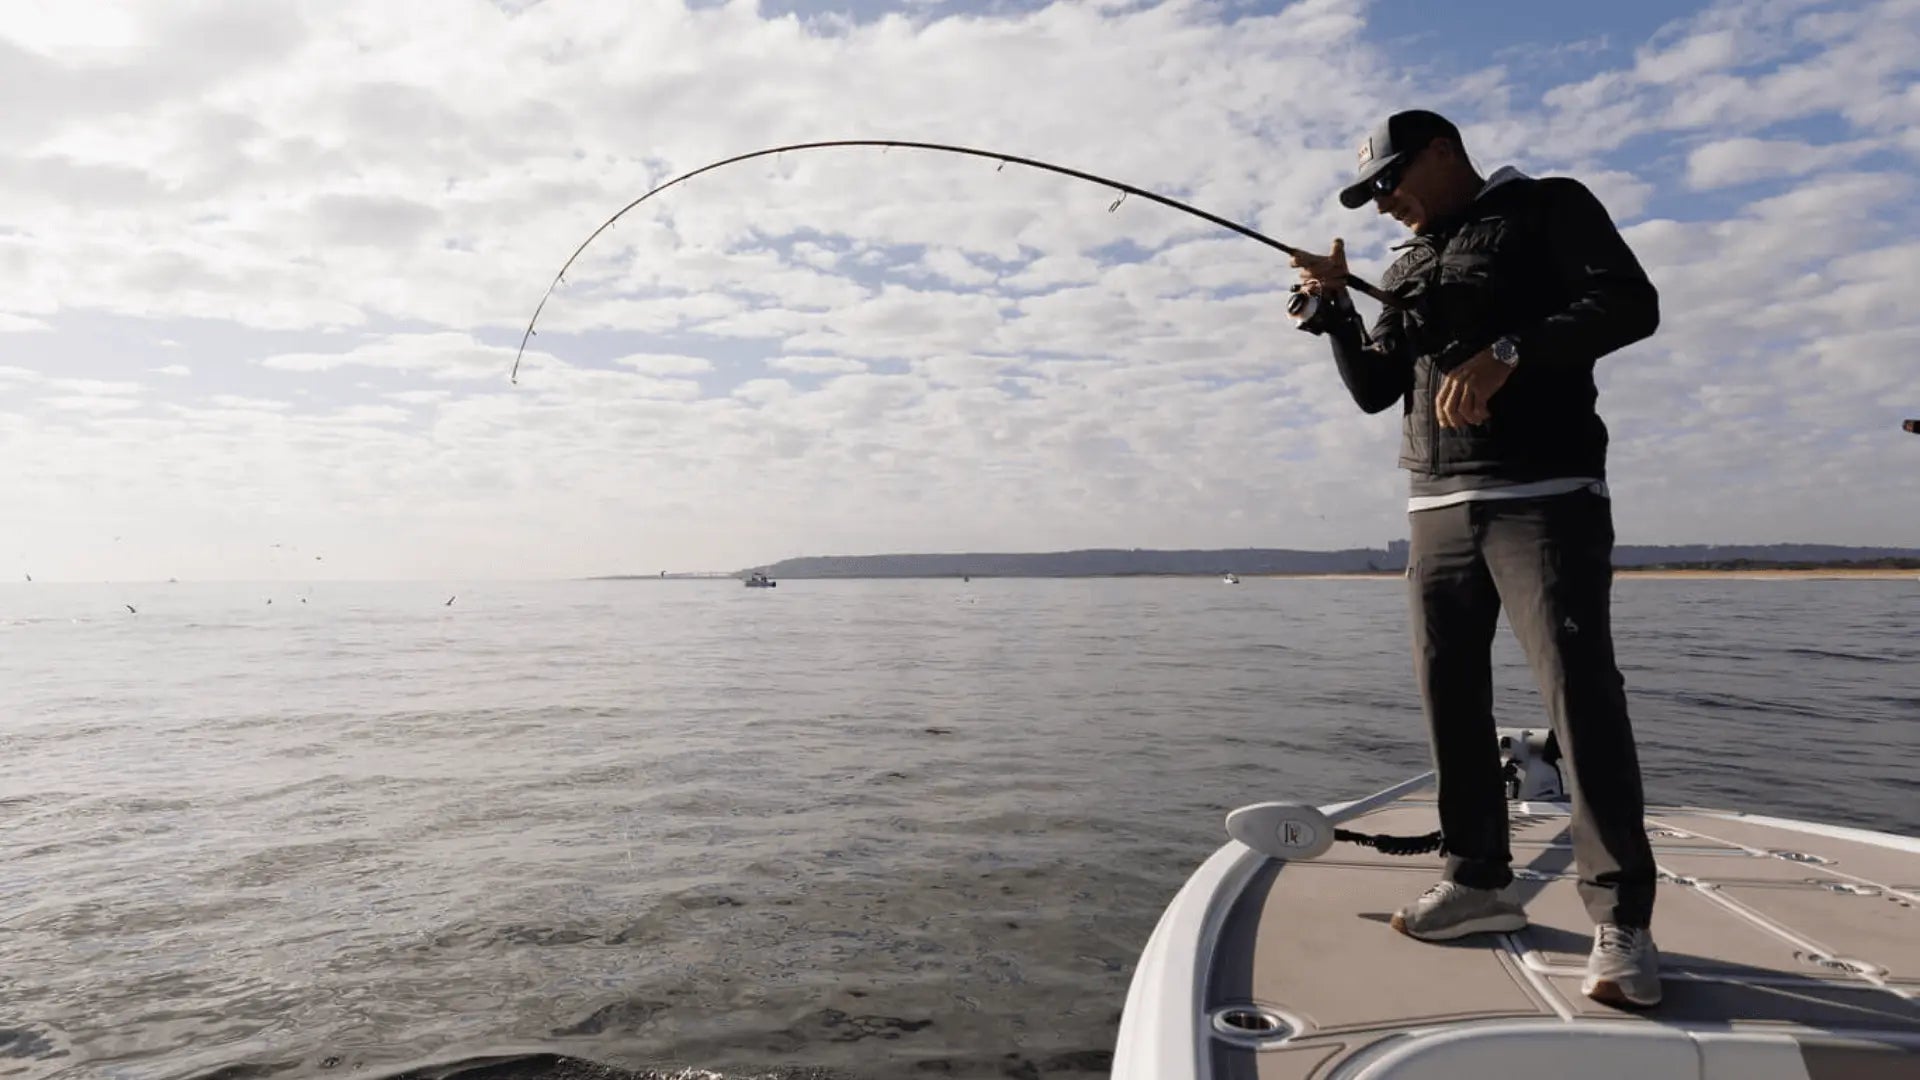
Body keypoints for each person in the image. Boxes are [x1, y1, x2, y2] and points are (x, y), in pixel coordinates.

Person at [1288, 109, 1663, 1008]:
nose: (1384, 205)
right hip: (1436, 505)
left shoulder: (1547, 208)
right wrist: (1338, 310)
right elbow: (1378, 392)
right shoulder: (1409, 263)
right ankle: (1479, 881)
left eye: (1391, 182)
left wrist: (1509, 353)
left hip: (1545, 492)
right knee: (1447, 691)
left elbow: (1630, 303)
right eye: (1371, 194)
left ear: (1443, 152)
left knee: (1578, 691)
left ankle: (1622, 923)